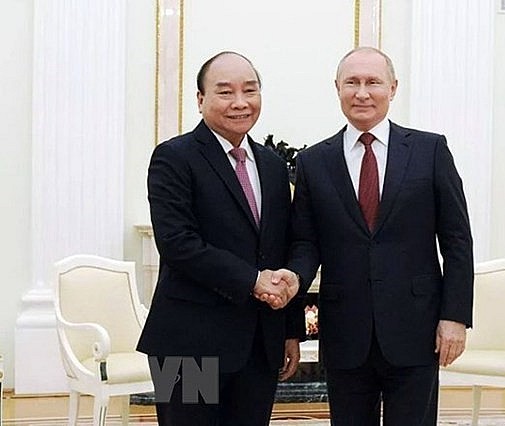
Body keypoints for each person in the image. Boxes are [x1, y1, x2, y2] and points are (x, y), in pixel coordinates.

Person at [283, 47, 474, 425]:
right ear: (337, 88)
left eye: (373, 82)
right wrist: (293, 280)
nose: (362, 92)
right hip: (344, 331)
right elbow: (305, 243)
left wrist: (455, 316)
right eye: (351, 82)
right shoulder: (313, 162)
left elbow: (457, 240)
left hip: (416, 328)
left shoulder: (430, 150)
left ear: (393, 87)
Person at [137, 51, 303, 426]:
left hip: (259, 344)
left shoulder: (274, 166)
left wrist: (290, 331)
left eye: (250, 90)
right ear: (200, 99)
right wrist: (252, 280)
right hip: (188, 345)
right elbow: (178, 243)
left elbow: (280, 247)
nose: (240, 102)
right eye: (225, 92)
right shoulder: (174, 157)